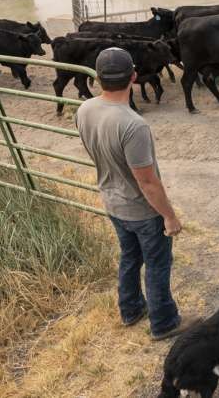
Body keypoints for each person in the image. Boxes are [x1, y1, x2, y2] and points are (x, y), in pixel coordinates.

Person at [75, 47, 197, 340]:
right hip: (142, 210)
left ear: (98, 78)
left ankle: (130, 310)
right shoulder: (133, 125)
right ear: (133, 76)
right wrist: (169, 216)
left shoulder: (85, 109)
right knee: (157, 264)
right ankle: (164, 322)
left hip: (111, 201)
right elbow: (148, 183)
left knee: (129, 257)